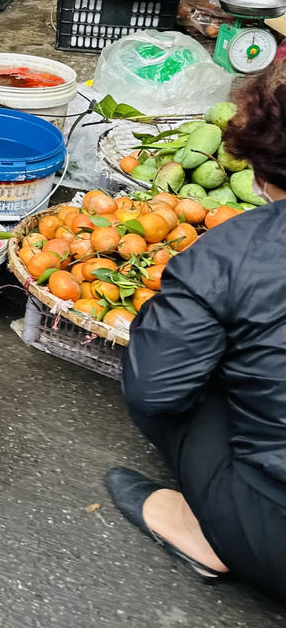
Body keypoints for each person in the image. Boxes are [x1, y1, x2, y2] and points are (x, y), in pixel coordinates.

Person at [107, 60, 286, 605]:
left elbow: (154, 388)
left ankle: (203, 530)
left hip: (272, 534)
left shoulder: (232, 251)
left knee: (165, 380)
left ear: (259, 166)